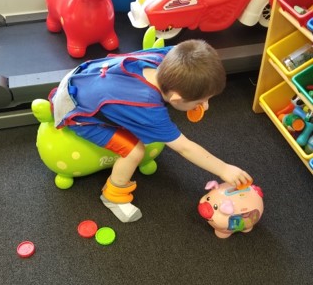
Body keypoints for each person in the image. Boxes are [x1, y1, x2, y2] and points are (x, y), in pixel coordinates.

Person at [49, 39, 252, 223]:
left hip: (80, 76)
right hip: (76, 113)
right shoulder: (148, 107)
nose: (205, 106)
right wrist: (224, 169)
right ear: (176, 99)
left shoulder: (167, 56)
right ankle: (113, 195)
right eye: (200, 101)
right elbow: (184, 148)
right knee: (135, 151)